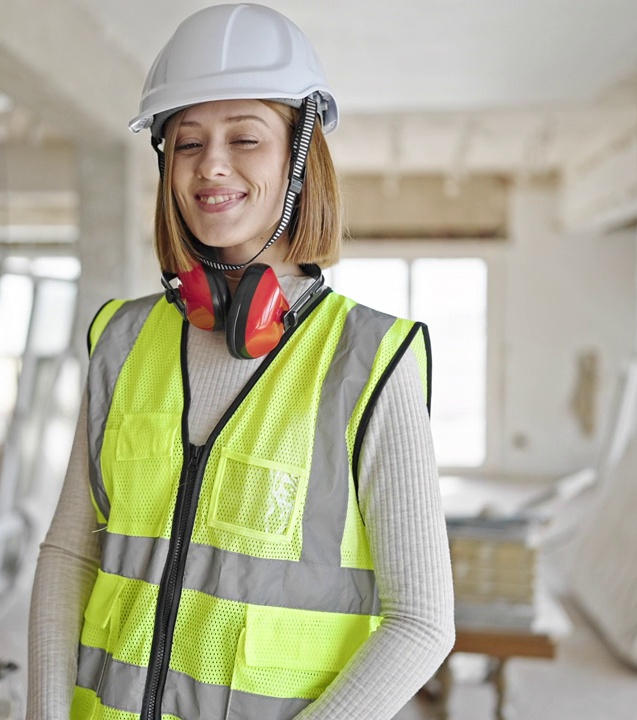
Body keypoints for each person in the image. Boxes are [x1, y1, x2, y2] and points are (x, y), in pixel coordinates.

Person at [27, 5, 454, 719]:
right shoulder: (123, 340)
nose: (210, 164)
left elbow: (421, 623)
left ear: (299, 156)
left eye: (244, 137)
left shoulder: (370, 362)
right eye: (187, 141)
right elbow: (70, 553)